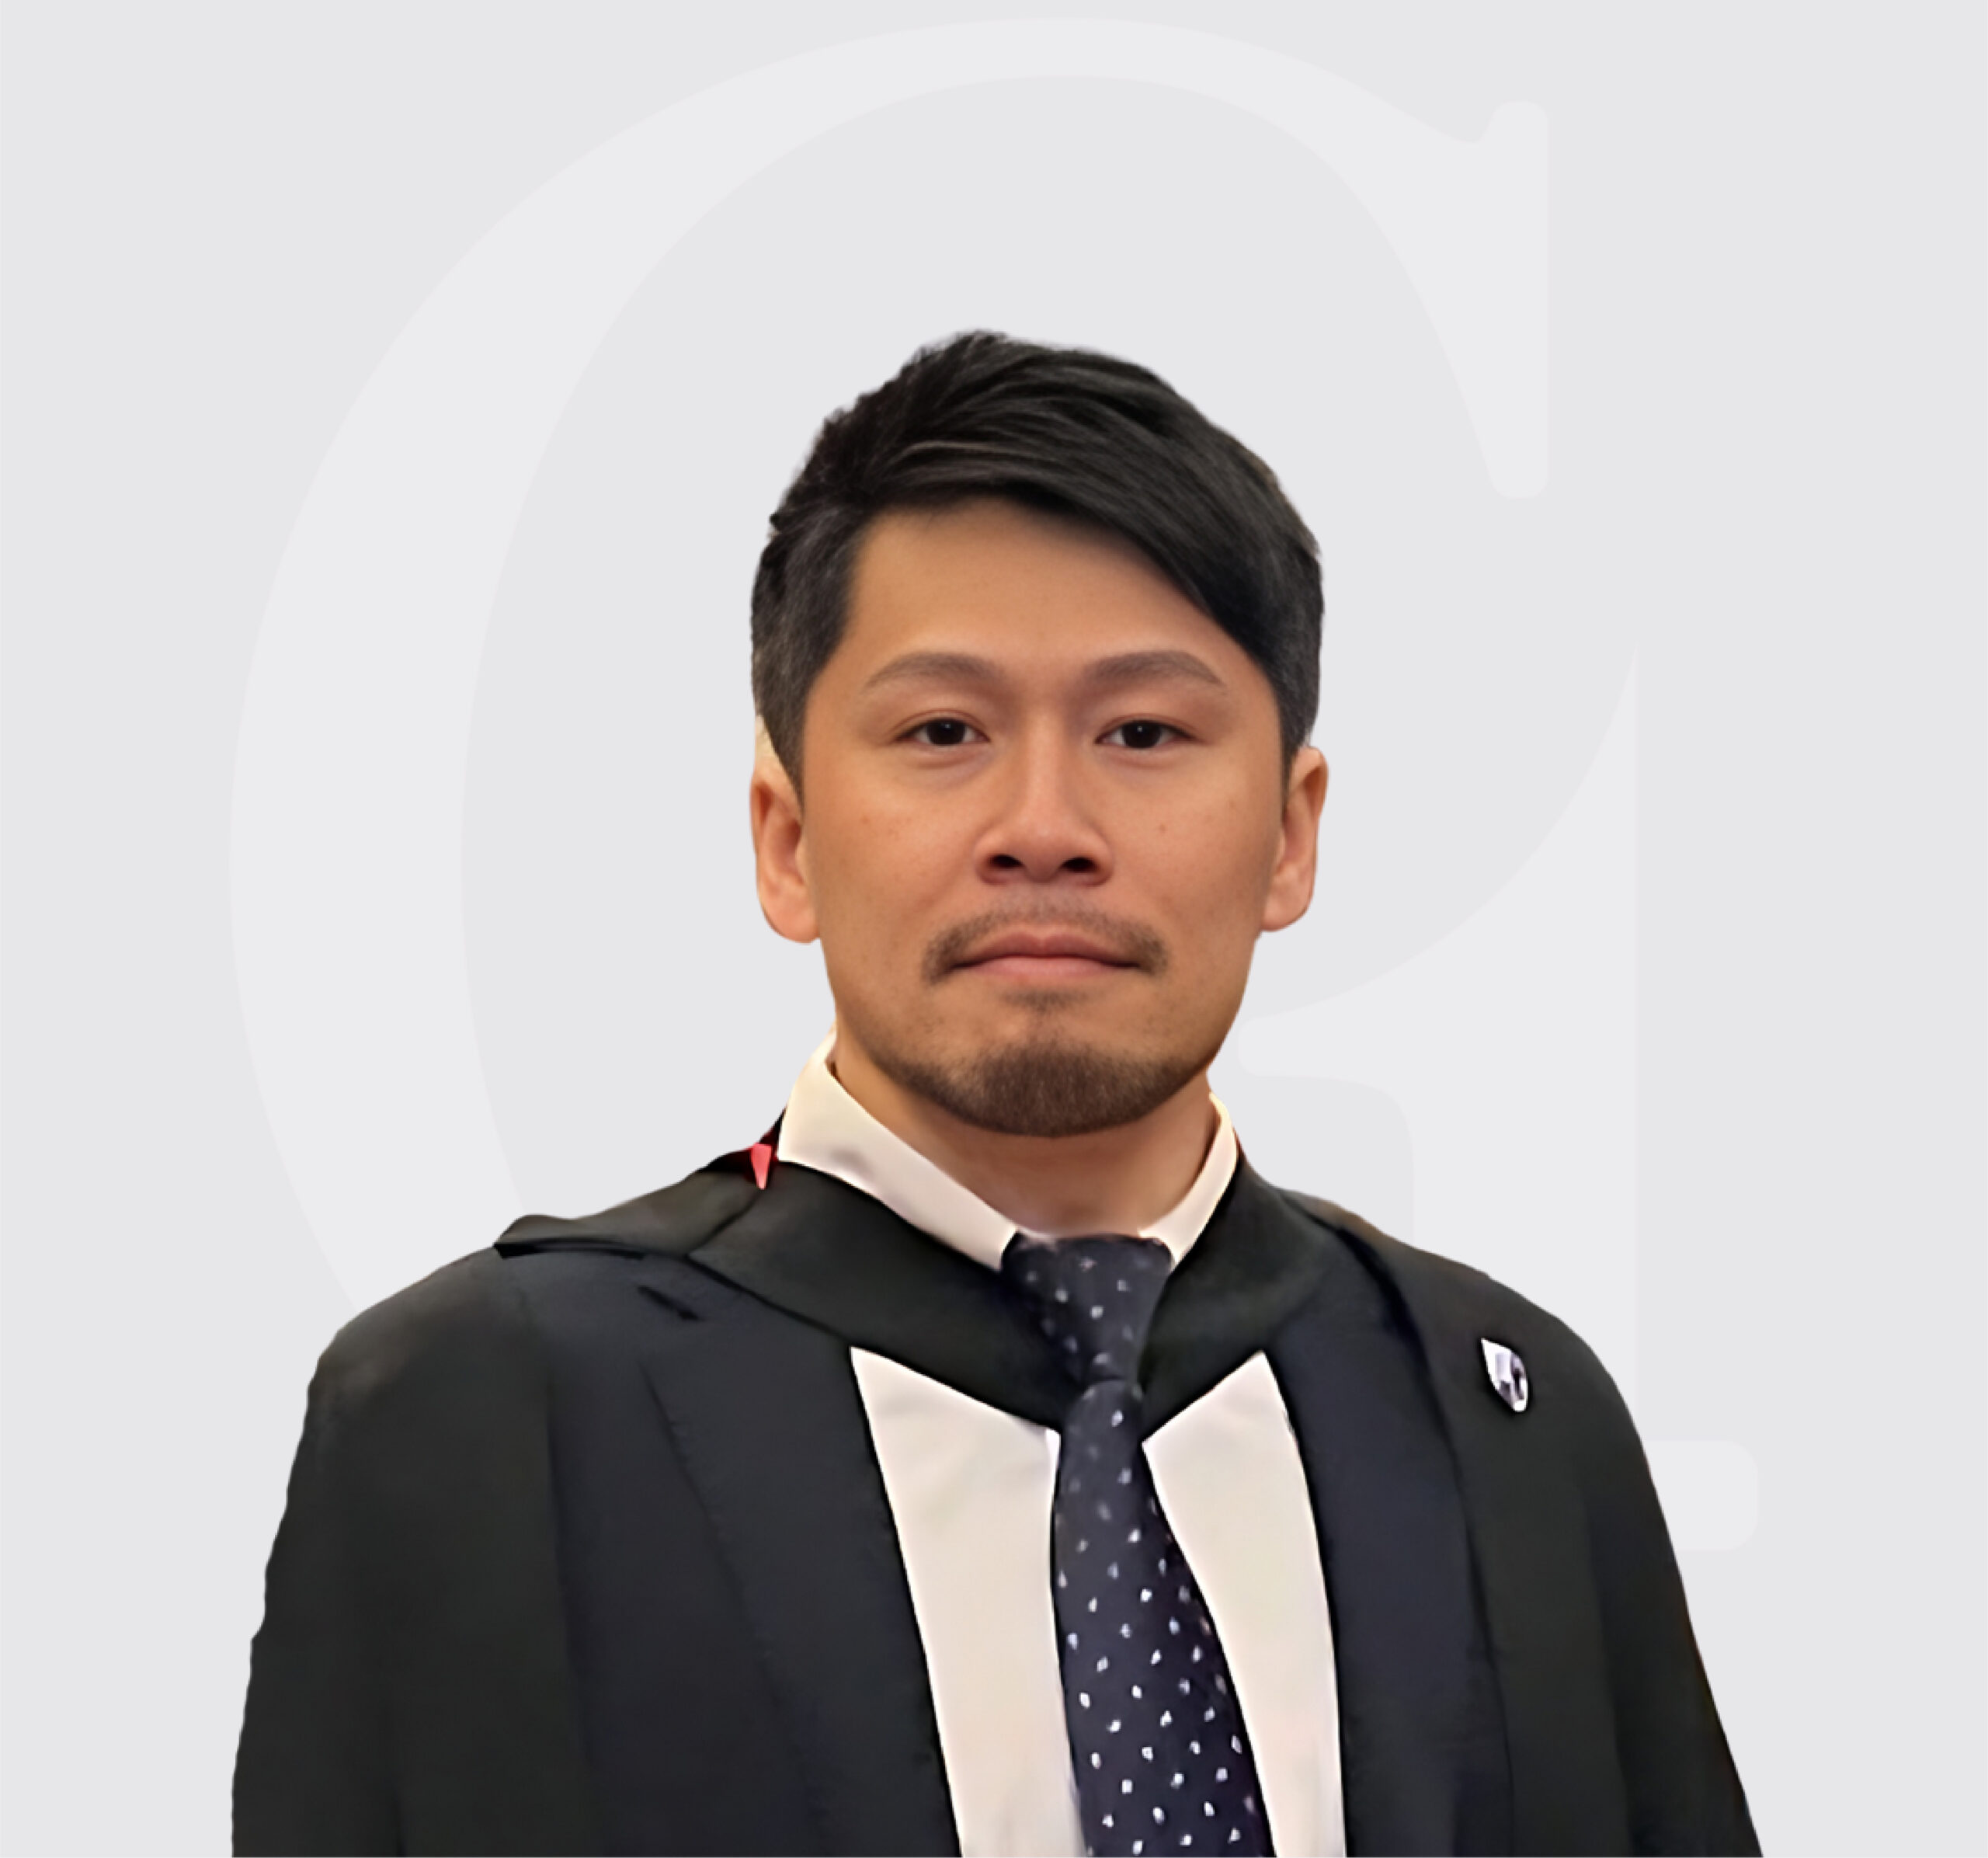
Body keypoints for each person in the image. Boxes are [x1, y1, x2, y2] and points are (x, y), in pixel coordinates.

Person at [232, 332, 1757, 1857]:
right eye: (943, 731)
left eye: (1143, 732)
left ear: (1291, 835)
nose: (1044, 825)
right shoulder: (483, 1413)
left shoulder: (1506, 1419)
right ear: (784, 835)